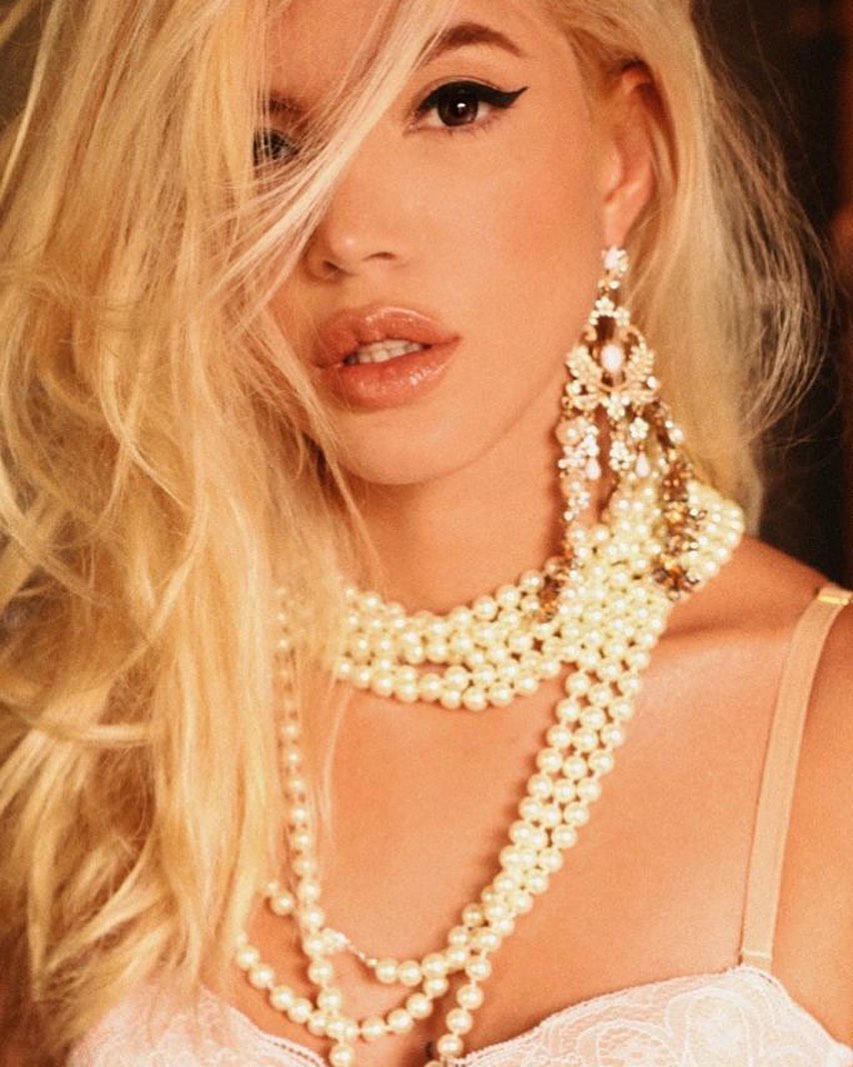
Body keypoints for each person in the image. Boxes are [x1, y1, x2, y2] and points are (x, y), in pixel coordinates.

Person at [0, 0, 851, 1064]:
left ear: (621, 158)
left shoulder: (827, 726)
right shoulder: (83, 740)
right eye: (262, 147)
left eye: (454, 105)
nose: (350, 235)